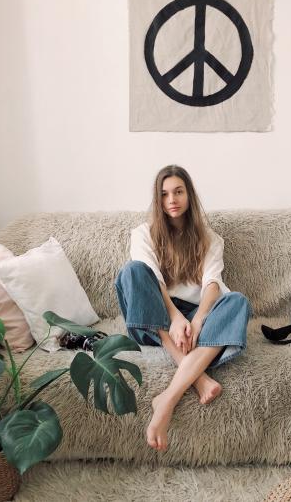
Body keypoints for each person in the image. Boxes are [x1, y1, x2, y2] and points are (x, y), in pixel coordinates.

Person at [115, 165, 251, 452]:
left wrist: (198, 321)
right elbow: (151, 277)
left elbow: (213, 282)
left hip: (194, 314)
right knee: (133, 271)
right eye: (164, 194)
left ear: (189, 195)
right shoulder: (143, 233)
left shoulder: (210, 238)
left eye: (178, 192)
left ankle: (167, 398)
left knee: (238, 301)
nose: (171, 200)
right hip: (154, 316)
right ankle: (197, 379)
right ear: (158, 199)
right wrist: (174, 319)